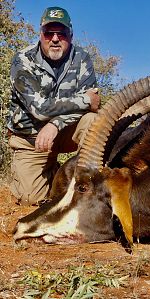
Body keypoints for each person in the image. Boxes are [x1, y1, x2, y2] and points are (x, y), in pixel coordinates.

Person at [7, 7, 100, 205]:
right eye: (49, 33)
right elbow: (40, 110)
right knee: (30, 199)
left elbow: (93, 107)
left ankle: (91, 187)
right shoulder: (22, 60)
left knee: (93, 122)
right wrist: (84, 100)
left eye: (61, 33)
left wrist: (56, 123)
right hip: (30, 139)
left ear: (71, 36)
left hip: (65, 132)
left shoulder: (82, 59)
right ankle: (56, 173)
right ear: (40, 35)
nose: (55, 38)